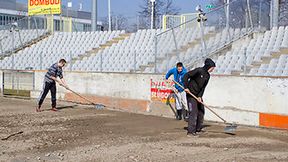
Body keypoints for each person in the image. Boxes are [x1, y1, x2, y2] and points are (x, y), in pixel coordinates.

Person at [183, 58, 216, 137]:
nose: (213, 69)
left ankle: (198, 129)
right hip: (190, 94)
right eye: (212, 68)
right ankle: (190, 132)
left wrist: (200, 96)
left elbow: (203, 87)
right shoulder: (198, 71)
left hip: (197, 95)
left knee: (201, 111)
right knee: (193, 112)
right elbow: (186, 75)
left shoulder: (207, 76)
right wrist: (186, 87)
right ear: (208, 66)